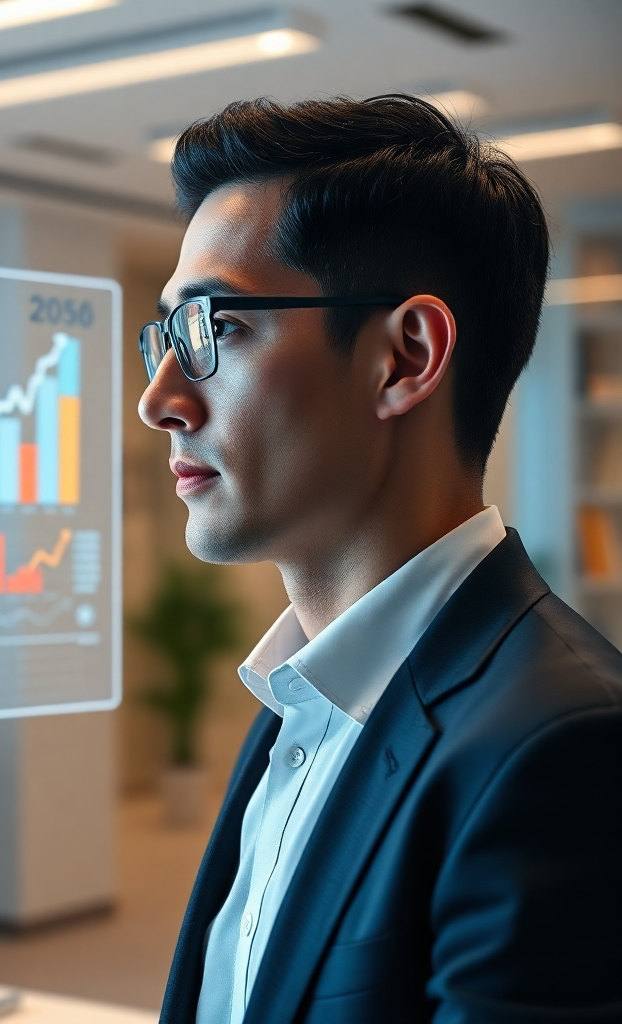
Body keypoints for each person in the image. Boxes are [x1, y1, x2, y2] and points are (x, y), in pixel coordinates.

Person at [138, 95, 622, 1024]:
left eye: (217, 330)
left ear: (404, 358)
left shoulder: (562, 745)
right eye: (167, 336)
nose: (161, 398)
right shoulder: (303, 701)